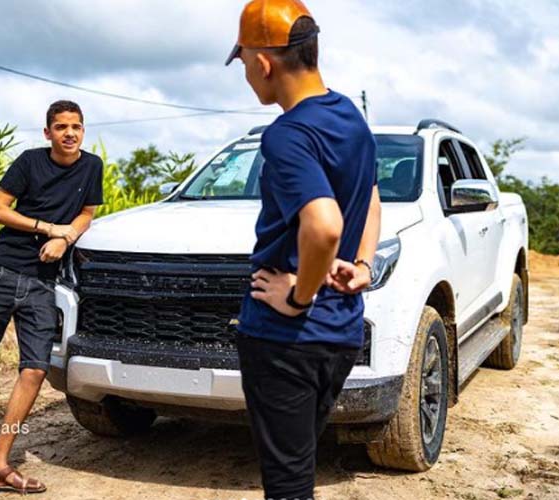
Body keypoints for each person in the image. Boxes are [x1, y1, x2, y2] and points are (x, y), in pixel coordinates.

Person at [226, 1, 382, 499]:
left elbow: (324, 224)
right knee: (298, 467)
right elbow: (371, 196)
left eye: (247, 62)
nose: (248, 74)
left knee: (288, 486)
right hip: (338, 334)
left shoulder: (287, 134)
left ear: (265, 63)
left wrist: (298, 296)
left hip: (285, 338)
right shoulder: (348, 116)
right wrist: (363, 264)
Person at [0, 100, 103, 499]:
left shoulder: (92, 166)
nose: (70, 133)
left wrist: (65, 238)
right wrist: (48, 227)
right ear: (47, 132)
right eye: (61, 127)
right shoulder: (30, 162)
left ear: (83, 131)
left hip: (42, 285)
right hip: (1, 274)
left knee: (35, 370)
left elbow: (88, 212)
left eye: (77, 127)